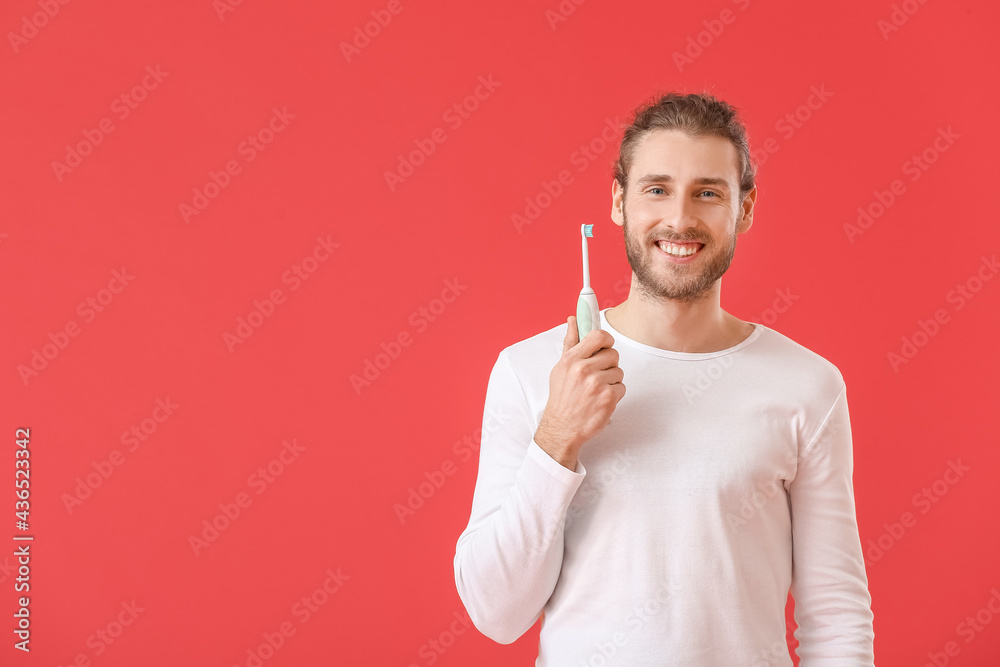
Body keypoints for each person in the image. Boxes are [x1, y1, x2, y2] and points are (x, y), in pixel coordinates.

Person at [453, 91, 875, 665]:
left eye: (707, 192)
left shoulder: (808, 387)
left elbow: (836, 615)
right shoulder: (529, 374)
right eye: (657, 189)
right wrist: (557, 438)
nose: (680, 218)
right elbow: (496, 614)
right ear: (619, 202)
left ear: (744, 210)